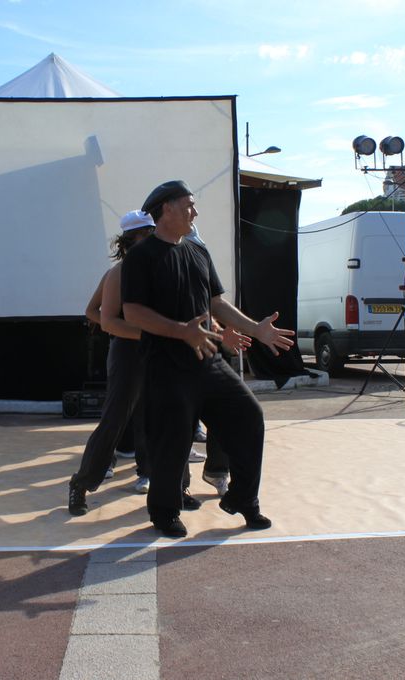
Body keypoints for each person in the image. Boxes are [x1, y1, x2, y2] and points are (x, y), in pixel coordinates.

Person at [121, 180, 294, 538]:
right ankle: (165, 512)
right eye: (189, 205)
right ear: (166, 210)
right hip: (167, 368)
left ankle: (243, 500)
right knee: (172, 442)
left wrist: (255, 329)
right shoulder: (141, 257)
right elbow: (133, 312)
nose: (194, 213)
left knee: (250, 416)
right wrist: (181, 330)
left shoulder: (198, 253)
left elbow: (216, 303)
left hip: (210, 362)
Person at [68, 211, 157, 515]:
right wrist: (117, 326)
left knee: (158, 416)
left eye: (152, 232)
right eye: (146, 233)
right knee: (115, 418)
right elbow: (94, 312)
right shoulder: (118, 273)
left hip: (155, 352)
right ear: (131, 239)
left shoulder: (159, 269)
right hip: (128, 353)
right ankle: (80, 484)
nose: (152, 237)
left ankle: (165, 481)